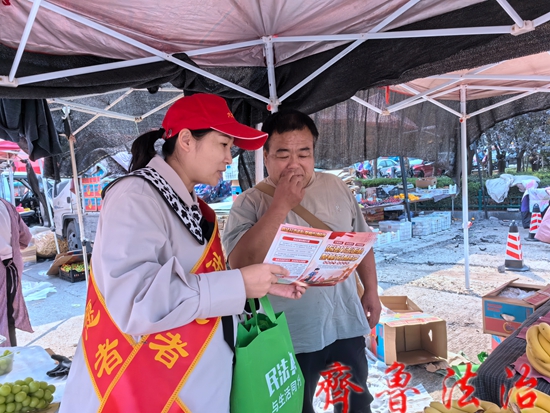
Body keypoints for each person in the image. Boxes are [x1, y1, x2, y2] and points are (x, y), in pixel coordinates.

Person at [60, 94, 305, 413]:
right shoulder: (136, 196)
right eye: (223, 145)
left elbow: (200, 284)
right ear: (187, 140)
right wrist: (239, 284)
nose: (229, 159)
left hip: (193, 384)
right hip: (148, 391)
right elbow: (137, 301)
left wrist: (255, 286)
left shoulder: (188, 203)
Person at [223, 109, 381, 413]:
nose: (294, 163)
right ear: (266, 157)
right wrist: (280, 205)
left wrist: (372, 291)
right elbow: (240, 264)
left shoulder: (336, 186)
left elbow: (361, 244)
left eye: (304, 153)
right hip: (289, 334)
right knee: (297, 408)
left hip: (344, 322)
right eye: (283, 154)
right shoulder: (249, 202)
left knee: (355, 404)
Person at [0, 197, 33, 346]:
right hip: (8, 267)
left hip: (6, 268)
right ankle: (9, 352)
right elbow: (25, 237)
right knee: (6, 315)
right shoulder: (5, 205)